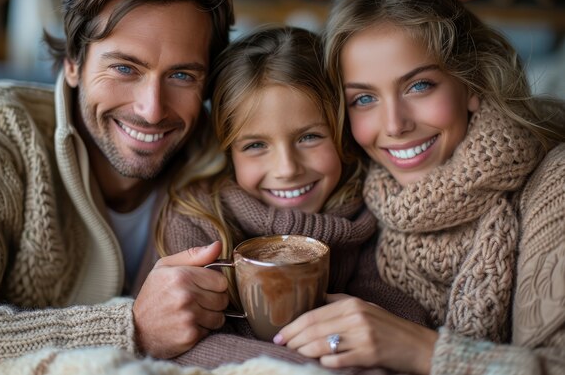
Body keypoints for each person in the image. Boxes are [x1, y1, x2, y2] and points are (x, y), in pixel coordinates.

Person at [0, 0, 235, 373]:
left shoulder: (234, 152)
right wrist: (129, 327)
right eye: (124, 68)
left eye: (182, 76)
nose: (151, 110)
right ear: (73, 63)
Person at [273, 0, 565, 375]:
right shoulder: (349, 196)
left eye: (419, 86)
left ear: (472, 84)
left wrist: (422, 351)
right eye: (364, 99)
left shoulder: (555, 186)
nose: (394, 125)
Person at [150, 26, 430, 372]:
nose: (286, 169)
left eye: (309, 137)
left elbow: (404, 320)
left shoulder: (367, 215)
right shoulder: (197, 218)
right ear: (228, 153)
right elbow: (178, 344)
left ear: (342, 136)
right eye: (255, 145)